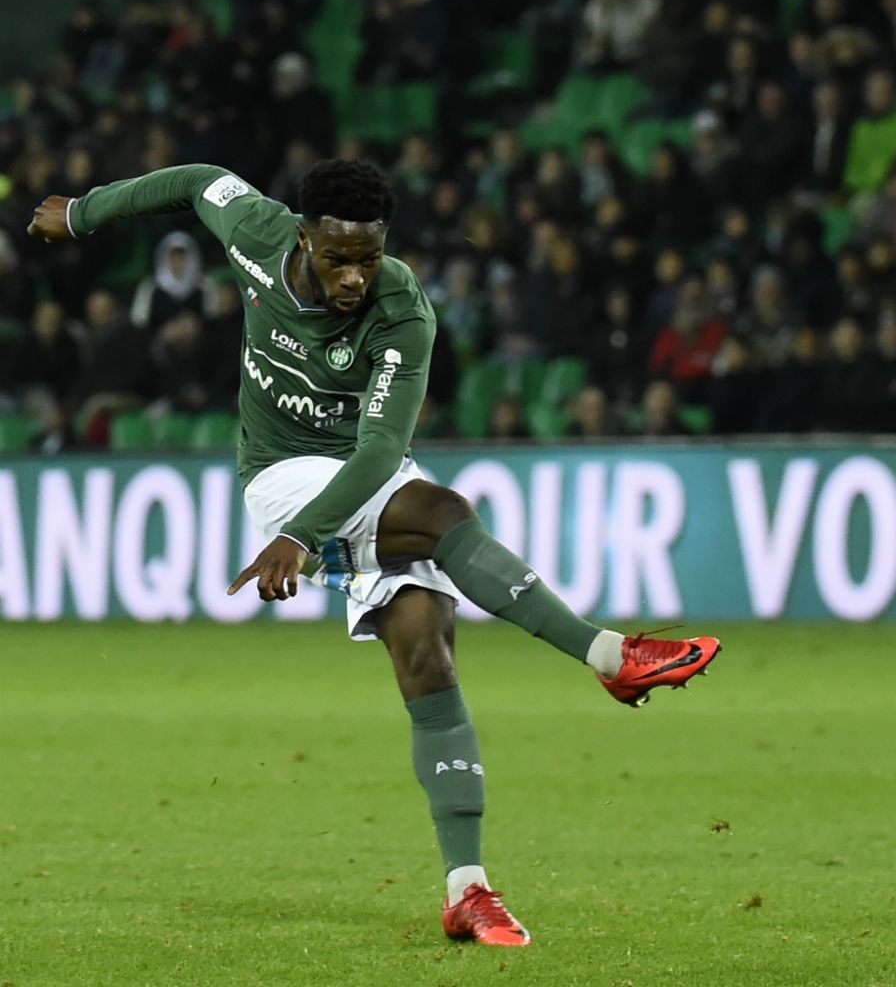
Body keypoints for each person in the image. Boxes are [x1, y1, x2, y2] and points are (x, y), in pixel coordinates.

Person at [27, 161, 722, 948]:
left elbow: (379, 449)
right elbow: (196, 181)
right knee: (443, 513)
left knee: (427, 653)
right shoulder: (255, 235)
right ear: (302, 237)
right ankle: (608, 653)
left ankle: (468, 890)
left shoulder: (402, 309)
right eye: (337, 259)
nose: (355, 276)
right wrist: (85, 211)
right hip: (282, 478)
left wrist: (304, 540)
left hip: (361, 478)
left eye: (369, 256)